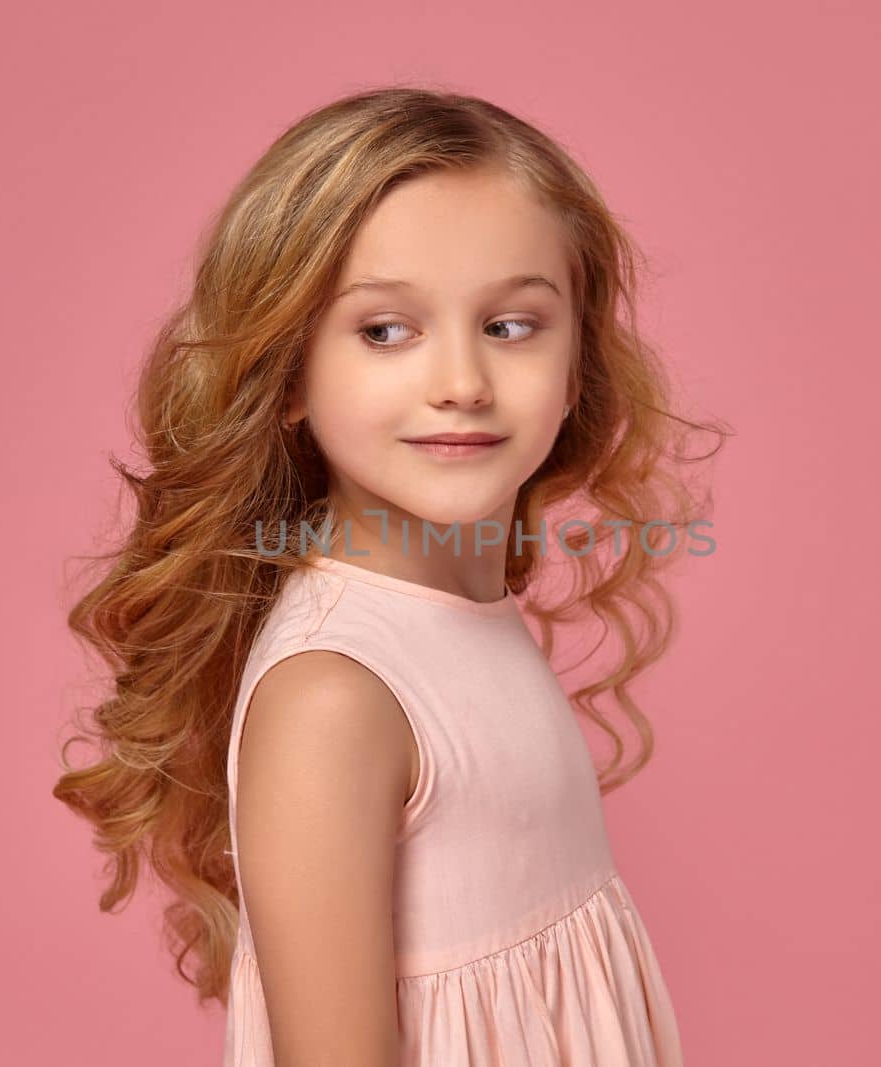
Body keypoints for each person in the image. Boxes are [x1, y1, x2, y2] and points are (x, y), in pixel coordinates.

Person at [54, 86, 728, 1066]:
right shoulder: (334, 694)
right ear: (285, 372)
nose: (460, 379)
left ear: (578, 357)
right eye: (384, 330)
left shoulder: (467, 617)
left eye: (509, 325)